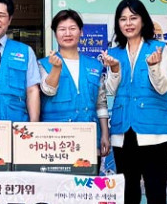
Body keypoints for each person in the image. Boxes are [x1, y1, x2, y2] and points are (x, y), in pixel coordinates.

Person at [97, 0, 167, 204]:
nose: (128, 23)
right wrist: (115, 70)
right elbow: (110, 89)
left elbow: (163, 87)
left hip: (154, 133)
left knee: (155, 194)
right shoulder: (114, 53)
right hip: (123, 133)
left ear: (143, 20)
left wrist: (154, 66)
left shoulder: (159, 48)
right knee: (128, 197)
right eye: (123, 19)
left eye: (133, 17)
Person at [38, 10, 114, 171]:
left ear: (81, 32)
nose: (67, 33)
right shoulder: (43, 64)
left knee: (87, 184)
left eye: (72, 28)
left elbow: (100, 103)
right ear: (55, 33)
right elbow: (48, 90)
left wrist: (105, 134)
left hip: (89, 138)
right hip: (56, 143)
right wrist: (56, 68)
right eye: (62, 29)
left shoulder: (95, 65)